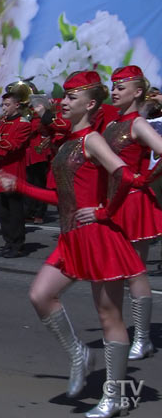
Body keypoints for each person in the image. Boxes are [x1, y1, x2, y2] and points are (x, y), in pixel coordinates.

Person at [0, 71, 144, 418]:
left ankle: (116, 397)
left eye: (71, 98)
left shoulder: (92, 139)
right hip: (71, 236)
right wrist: (19, 186)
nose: (63, 102)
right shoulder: (67, 144)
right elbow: (62, 198)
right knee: (40, 295)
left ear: (90, 104)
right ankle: (79, 353)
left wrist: (105, 210)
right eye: (64, 97)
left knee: (110, 317)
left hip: (98, 236)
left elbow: (124, 174)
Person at [102, 65, 162, 361]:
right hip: (112, 201)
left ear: (137, 92)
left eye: (120, 88)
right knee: (113, 272)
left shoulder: (138, 123)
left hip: (134, 203)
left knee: (135, 273)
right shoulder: (113, 123)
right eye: (113, 87)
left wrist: (146, 179)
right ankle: (120, 331)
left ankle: (143, 338)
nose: (114, 92)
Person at [0, 81, 33, 258]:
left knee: (15, 212)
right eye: (3, 104)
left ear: (17, 105)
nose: (4, 108)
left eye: (7, 105)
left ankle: (17, 244)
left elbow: (13, 146)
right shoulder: (1, 123)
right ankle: (8, 241)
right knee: (3, 212)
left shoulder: (23, 124)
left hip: (13, 171)